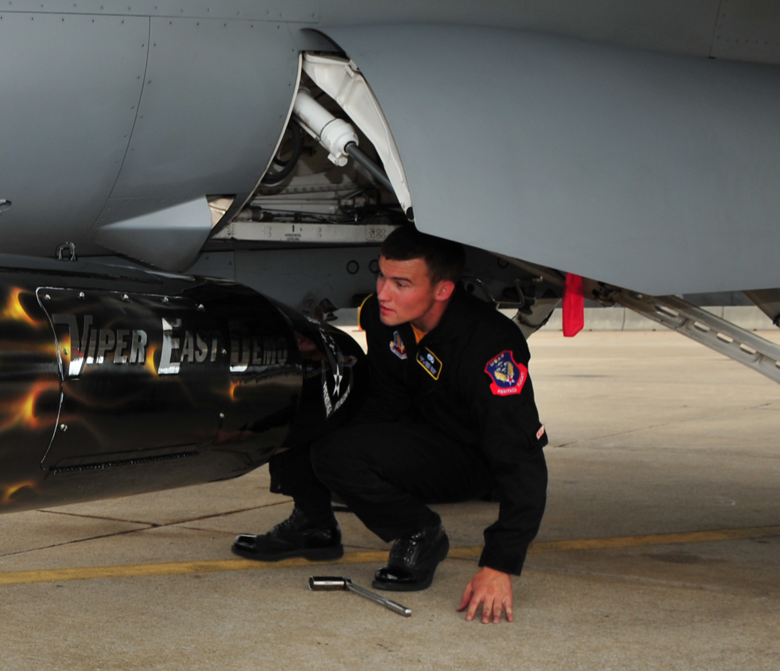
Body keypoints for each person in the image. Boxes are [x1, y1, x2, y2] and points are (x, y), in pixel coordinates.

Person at [233, 226, 548, 622]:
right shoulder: (385, 319)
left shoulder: (489, 347)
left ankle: (420, 533)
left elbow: (522, 462)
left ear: (443, 290)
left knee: (337, 454)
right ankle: (313, 524)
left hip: (471, 458)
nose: (382, 293)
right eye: (381, 276)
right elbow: (385, 396)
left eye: (401, 283)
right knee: (307, 400)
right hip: (419, 431)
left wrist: (499, 564)